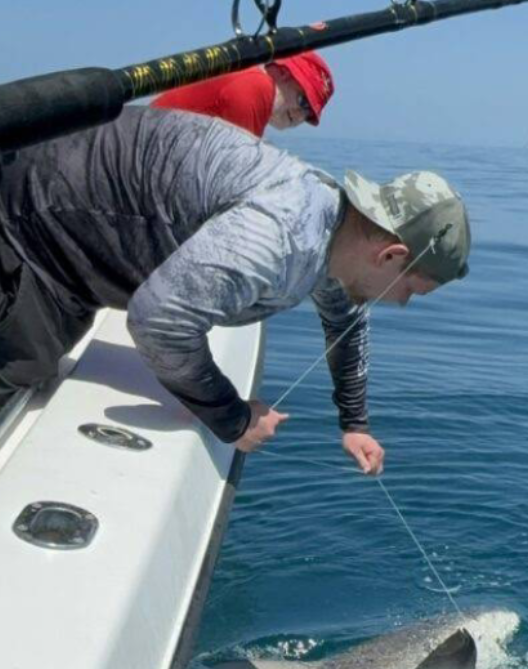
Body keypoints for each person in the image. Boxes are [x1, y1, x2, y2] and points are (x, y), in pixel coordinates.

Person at [0, 107, 470, 474]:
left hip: (82, 235)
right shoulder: (278, 237)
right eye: (413, 291)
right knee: (22, 366)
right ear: (390, 255)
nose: (402, 303)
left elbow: (347, 327)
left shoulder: (335, 233)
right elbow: (158, 322)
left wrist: (354, 424)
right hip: (30, 215)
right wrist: (233, 418)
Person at [151, 51, 334, 135]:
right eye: (303, 101)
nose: (300, 116)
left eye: (309, 114)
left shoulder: (246, 76)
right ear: (283, 73)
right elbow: (239, 176)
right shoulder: (256, 86)